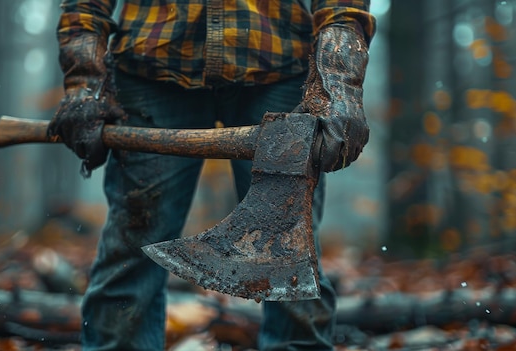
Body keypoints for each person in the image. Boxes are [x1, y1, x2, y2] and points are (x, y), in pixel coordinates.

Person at [48, 1, 375, 350]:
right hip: (151, 65)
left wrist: (339, 81)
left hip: (280, 64)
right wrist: (85, 81)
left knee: (289, 258)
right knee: (131, 248)